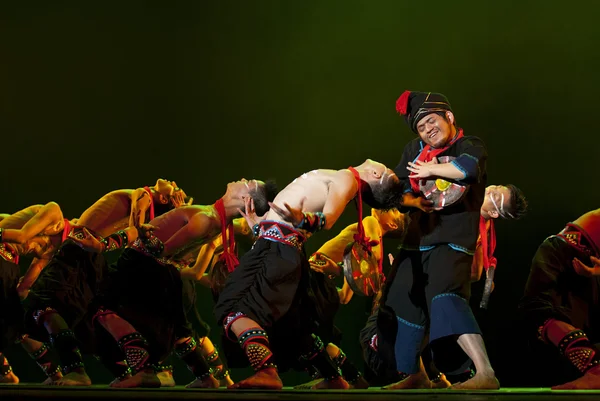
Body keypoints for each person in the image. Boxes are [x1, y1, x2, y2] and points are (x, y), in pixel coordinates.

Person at [71, 179, 276, 389]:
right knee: (179, 331)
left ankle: (144, 371)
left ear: (245, 198)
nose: (242, 179)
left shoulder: (205, 219)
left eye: (248, 183)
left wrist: (107, 243)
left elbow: (162, 251)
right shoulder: (212, 218)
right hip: (158, 269)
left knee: (101, 310)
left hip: (143, 265)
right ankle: (206, 378)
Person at [215, 160, 401, 390]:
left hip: (277, 250)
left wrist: (301, 220)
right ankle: (333, 378)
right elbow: (290, 219)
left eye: (387, 169)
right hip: (278, 247)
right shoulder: (343, 177)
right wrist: (261, 225)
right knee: (295, 326)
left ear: (375, 173)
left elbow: (328, 219)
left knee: (234, 305)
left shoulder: (346, 180)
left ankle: (266, 372)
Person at [381, 90, 498, 390]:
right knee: (401, 303)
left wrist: (430, 169)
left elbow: (467, 171)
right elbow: (398, 191)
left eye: (432, 121)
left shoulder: (469, 145)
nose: (427, 130)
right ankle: (415, 375)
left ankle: (485, 373)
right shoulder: (413, 151)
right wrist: (408, 200)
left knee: (446, 299)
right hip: (416, 242)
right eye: (421, 127)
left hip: (453, 240)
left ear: (449, 117)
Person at [519, 208, 600, 390]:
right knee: (579, 319)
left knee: (536, 308)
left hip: (571, 248)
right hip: (585, 254)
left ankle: (595, 369)